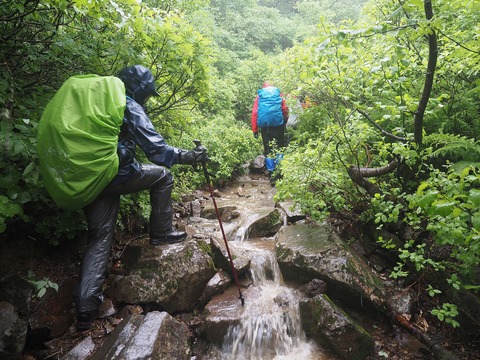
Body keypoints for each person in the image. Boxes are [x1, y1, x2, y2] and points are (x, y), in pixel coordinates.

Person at [38, 65, 208, 331]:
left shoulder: (99, 98)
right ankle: (162, 233)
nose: (147, 99)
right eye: (147, 93)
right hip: (114, 174)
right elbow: (157, 151)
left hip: (90, 177)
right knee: (163, 176)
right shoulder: (127, 104)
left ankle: (85, 312)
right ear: (138, 87)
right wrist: (191, 156)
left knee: (100, 237)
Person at [251, 81, 289, 156]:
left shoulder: (259, 97)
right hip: (278, 124)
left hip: (265, 125)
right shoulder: (278, 94)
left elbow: (255, 113)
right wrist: (285, 121)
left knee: (268, 148)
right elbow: (284, 109)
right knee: (279, 146)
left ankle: (270, 167)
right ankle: (280, 165)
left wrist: (255, 129)